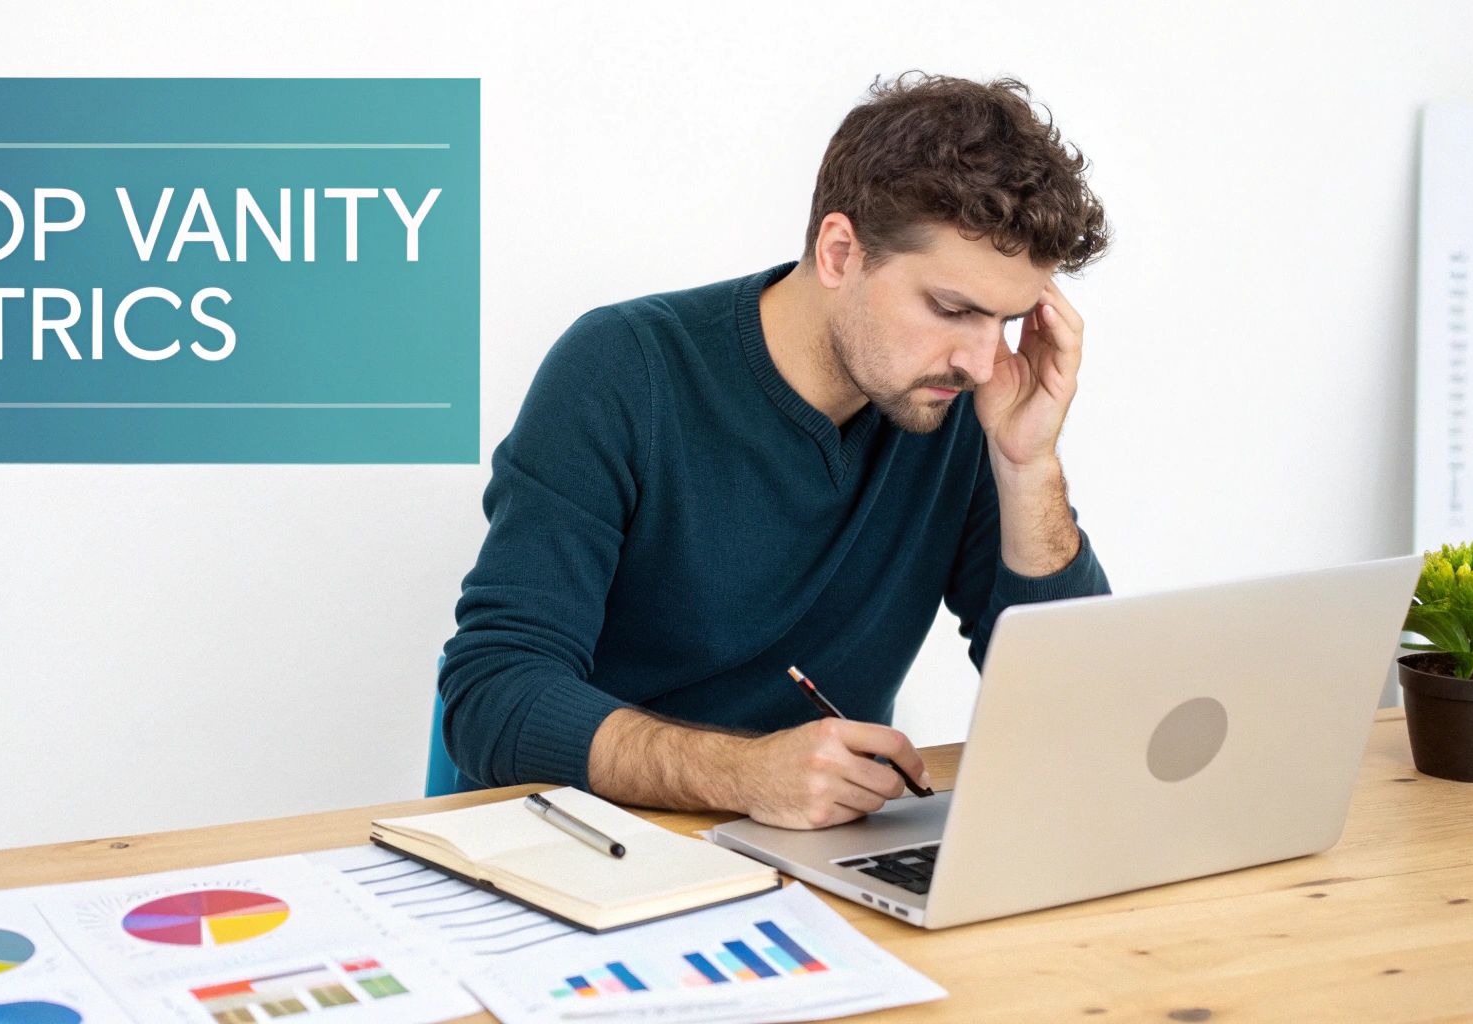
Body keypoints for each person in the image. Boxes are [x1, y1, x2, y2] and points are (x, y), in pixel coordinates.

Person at [441, 71, 1113, 829]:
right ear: (838, 252)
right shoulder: (625, 369)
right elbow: (490, 694)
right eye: (953, 309)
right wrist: (745, 773)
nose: (983, 361)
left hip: (806, 861)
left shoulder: (955, 403)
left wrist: (1029, 467)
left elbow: (1081, 712)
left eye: (1007, 319)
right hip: (584, 845)